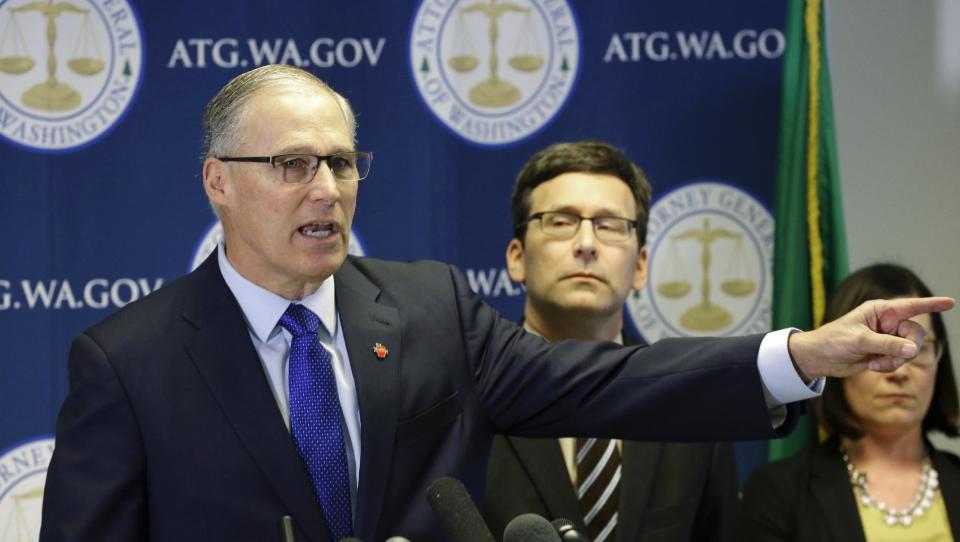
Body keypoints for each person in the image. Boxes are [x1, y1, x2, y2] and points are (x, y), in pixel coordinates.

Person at [39, 65, 952, 542]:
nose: (326, 189)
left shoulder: (428, 307)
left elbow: (607, 382)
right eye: (291, 166)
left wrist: (798, 356)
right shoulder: (130, 362)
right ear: (217, 183)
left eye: (343, 163)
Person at [483, 141, 738, 541]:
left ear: (640, 267)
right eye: (561, 221)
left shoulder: (687, 404)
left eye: (610, 226)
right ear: (517, 257)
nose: (586, 244)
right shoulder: (468, 403)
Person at [739, 263, 960, 541]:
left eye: (919, 348)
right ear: (837, 361)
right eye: (880, 348)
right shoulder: (778, 491)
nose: (900, 371)